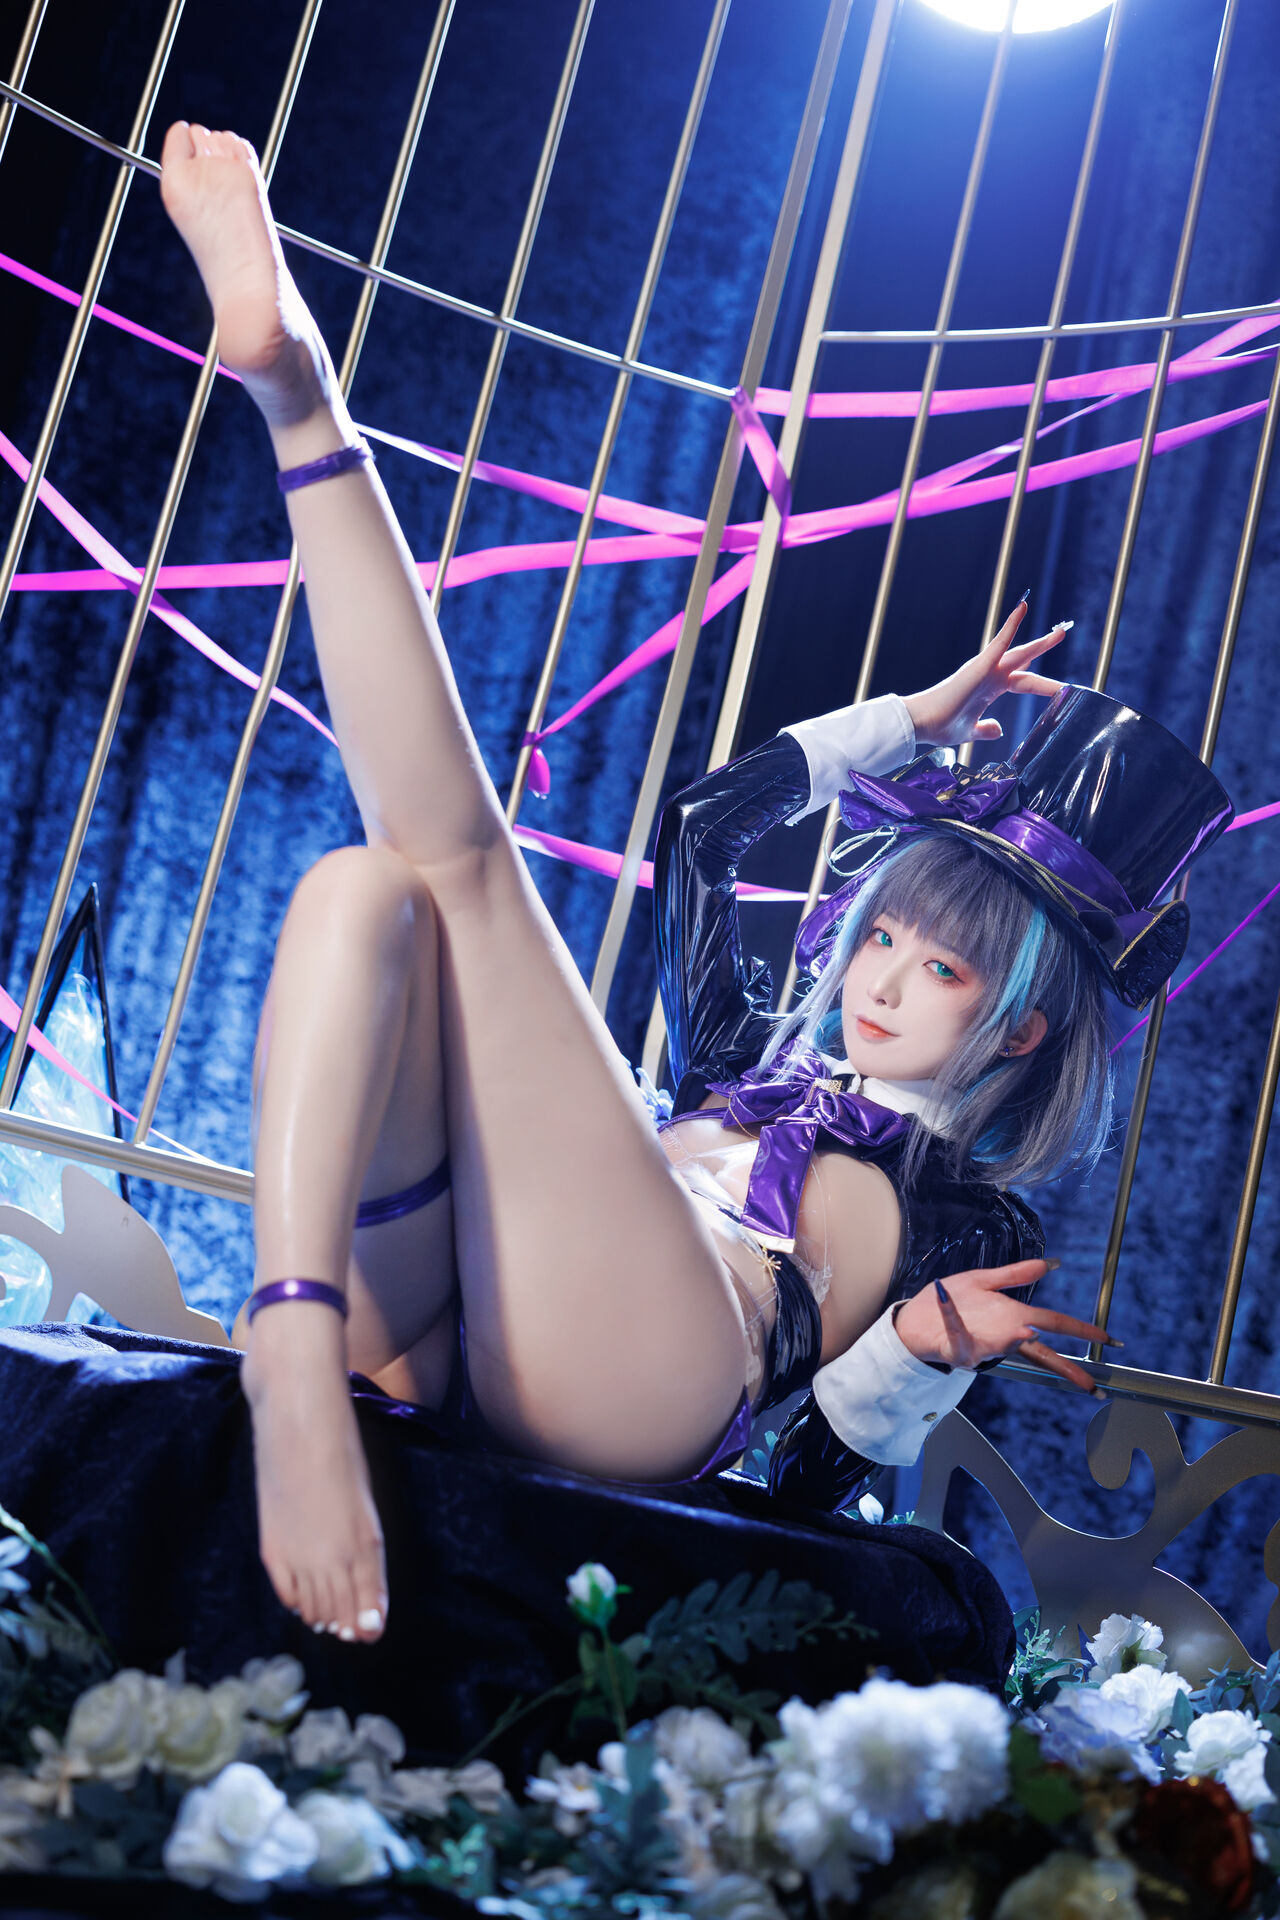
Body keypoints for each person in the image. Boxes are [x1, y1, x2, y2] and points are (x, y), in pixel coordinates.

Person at [156, 123, 1231, 1651]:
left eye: (940, 967)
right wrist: (910, 722)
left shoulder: (963, 1213)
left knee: (458, 863)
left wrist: (918, 1354)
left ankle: (300, 400)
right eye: (886, 934)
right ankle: (294, 1339)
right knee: (362, 890)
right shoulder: (741, 1059)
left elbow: (801, 1496)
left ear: (1022, 1029)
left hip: (654, 1383)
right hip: (456, 1314)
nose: (879, 976)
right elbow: (704, 826)